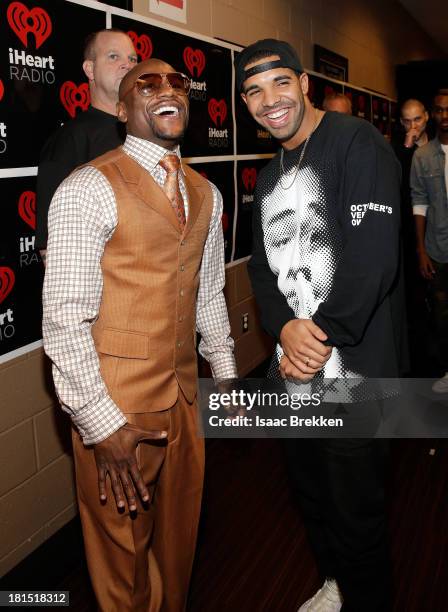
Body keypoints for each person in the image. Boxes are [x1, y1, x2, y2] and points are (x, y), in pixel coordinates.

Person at [42, 58, 237, 611]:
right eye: (145, 85)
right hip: (116, 406)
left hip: (184, 400)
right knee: (122, 564)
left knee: (178, 547)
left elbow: (207, 292)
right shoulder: (88, 187)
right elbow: (63, 316)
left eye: (176, 82)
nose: (166, 88)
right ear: (123, 110)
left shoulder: (206, 193)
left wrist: (222, 375)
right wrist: (100, 424)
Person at [235, 39, 402, 611]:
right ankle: (335, 584)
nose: (269, 99)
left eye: (280, 82)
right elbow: (260, 268)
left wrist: (316, 337)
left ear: (304, 84)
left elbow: (374, 259)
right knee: (311, 490)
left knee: (357, 510)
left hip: (356, 375)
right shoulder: (270, 171)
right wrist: (283, 328)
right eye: (253, 91)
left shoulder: (359, 143)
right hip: (293, 374)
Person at [35, 28, 138, 259]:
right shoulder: (68, 140)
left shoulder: (148, 133)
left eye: (132, 59)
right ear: (89, 69)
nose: (127, 65)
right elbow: (51, 248)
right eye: (114, 56)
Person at [411, 90, 448, 391]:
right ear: (432, 115)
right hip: (438, 249)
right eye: (439, 110)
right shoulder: (422, 157)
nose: (445, 115)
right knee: (441, 316)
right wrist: (421, 249)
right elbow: (419, 202)